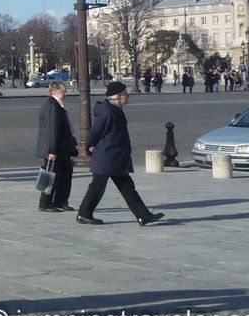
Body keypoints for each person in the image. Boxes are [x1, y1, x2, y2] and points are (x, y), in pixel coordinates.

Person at [76, 81, 164, 227]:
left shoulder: (115, 110)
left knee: (127, 187)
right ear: (117, 97)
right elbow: (95, 132)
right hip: (107, 157)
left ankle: (143, 215)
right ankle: (83, 214)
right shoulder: (107, 112)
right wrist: (90, 146)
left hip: (115, 157)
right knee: (97, 188)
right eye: (125, 94)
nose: (127, 96)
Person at [35, 82, 77, 213]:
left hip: (63, 147)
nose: (65, 94)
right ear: (54, 92)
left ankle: (60, 201)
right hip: (56, 148)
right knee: (51, 175)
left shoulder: (56, 105)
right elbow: (52, 130)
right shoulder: (52, 106)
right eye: (62, 91)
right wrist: (52, 150)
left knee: (65, 174)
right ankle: (45, 203)